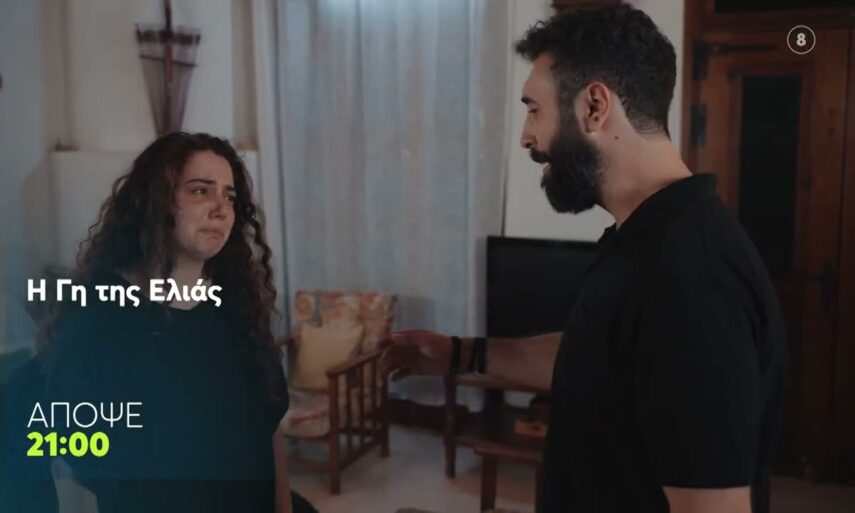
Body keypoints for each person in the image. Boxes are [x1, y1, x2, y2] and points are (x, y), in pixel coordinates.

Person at [381, 4, 786, 513]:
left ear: (595, 106)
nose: (527, 136)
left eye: (534, 109)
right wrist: (458, 354)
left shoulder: (692, 277)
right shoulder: (641, 237)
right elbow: (597, 357)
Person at [37, 132, 316, 513]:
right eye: (200, 191)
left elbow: (270, 429)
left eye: (229, 197)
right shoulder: (98, 314)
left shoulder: (237, 306)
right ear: (155, 200)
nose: (221, 209)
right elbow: (81, 461)